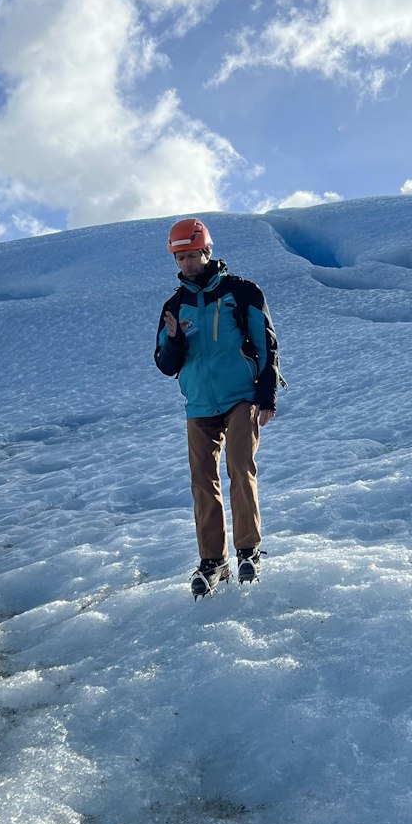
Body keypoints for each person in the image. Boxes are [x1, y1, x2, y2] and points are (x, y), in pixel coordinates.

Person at [154, 217, 281, 597]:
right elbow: (164, 364)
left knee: (240, 467)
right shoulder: (175, 306)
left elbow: (267, 345)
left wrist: (266, 395)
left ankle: (248, 551)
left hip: (241, 396)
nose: (187, 264)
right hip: (199, 404)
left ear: (207, 251)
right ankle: (213, 560)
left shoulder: (241, 292)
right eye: (180, 258)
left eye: (192, 255)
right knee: (202, 482)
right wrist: (174, 340)